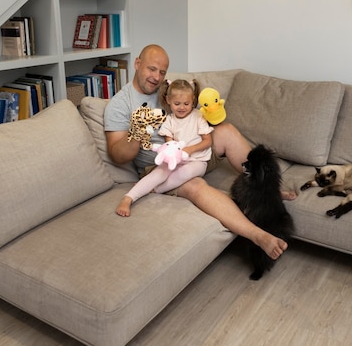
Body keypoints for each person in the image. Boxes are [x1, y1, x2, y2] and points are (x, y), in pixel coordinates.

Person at [104, 44, 294, 260]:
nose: (156, 77)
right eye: (151, 69)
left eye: (162, 72)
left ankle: (267, 188)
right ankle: (258, 236)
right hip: (164, 165)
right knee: (195, 185)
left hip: (195, 152)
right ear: (137, 64)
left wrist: (210, 115)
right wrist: (138, 132)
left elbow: (193, 110)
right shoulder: (120, 104)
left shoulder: (167, 91)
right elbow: (117, 156)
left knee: (227, 131)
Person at [116, 79, 213, 217]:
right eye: (177, 103)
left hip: (197, 160)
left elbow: (207, 141)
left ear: (193, 100)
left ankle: (156, 189)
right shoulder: (169, 120)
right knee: (160, 171)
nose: (182, 107)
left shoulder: (198, 116)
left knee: (186, 172)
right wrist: (173, 154)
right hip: (176, 159)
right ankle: (129, 197)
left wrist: (189, 150)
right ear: (168, 100)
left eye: (186, 104)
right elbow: (169, 144)